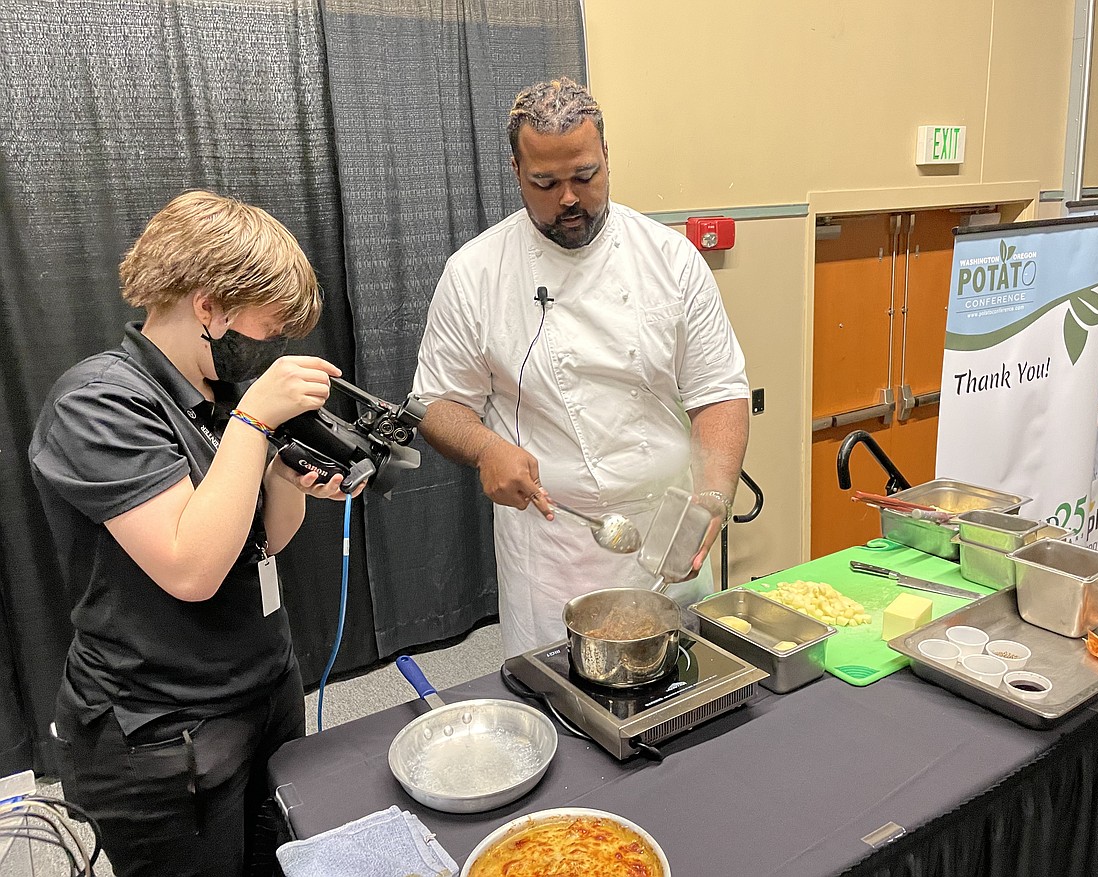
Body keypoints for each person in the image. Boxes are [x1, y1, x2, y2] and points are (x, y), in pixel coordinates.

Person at [28, 190, 353, 876]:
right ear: (208, 305)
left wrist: (287, 478)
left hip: (263, 686)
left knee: (281, 860)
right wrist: (256, 425)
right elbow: (191, 567)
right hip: (163, 733)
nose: (274, 347)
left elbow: (264, 543)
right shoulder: (98, 403)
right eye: (270, 328)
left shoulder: (219, 398)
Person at [412, 77, 750, 657]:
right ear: (517, 172)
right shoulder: (476, 273)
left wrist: (713, 497)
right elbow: (436, 404)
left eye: (585, 176)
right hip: (555, 539)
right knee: (561, 696)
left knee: (680, 685)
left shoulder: (669, 260)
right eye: (546, 182)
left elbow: (719, 391)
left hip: (669, 526)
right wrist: (485, 448)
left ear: (607, 161)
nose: (568, 197)